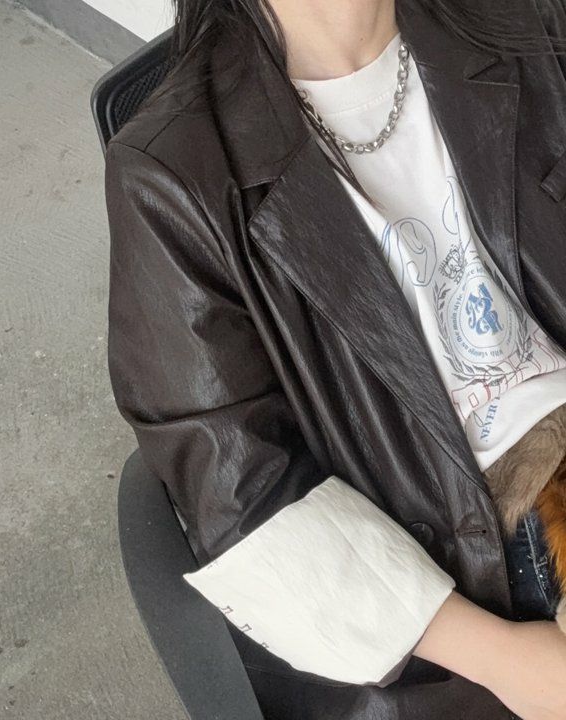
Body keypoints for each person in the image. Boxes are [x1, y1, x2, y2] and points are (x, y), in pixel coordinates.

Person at [103, 0, 566, 717]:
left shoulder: (531, 24)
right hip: (460, 578)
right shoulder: (170, 173)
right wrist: (511, 662)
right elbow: (247, 498)